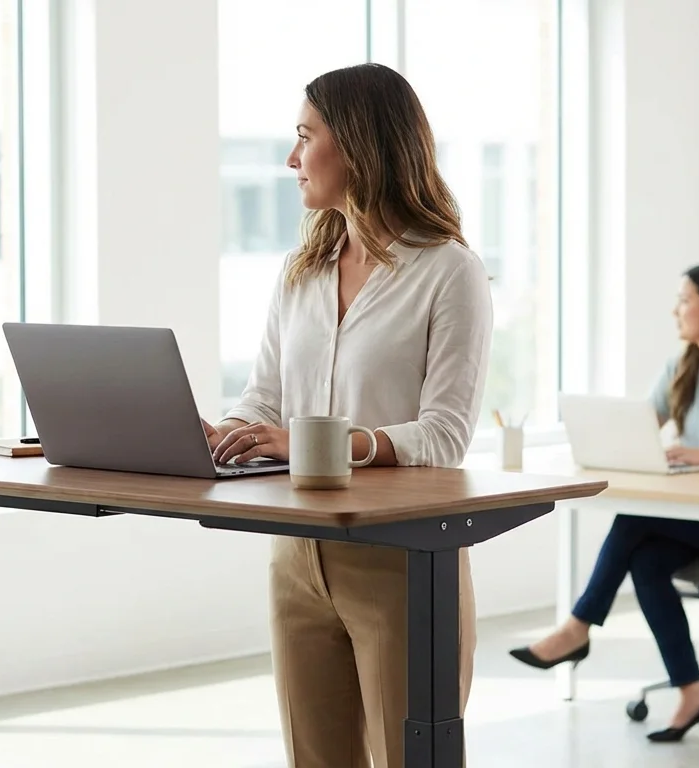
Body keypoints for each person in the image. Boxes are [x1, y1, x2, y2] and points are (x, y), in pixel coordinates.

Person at [206, 63, 493, 768]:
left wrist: (315, 444)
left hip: (402, 560)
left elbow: (445, 436)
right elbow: (265, 398)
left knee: (406, 758)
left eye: (306, 137)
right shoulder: (299, 270)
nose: (291, 159)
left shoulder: (449, 270)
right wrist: (227, 432)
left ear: (360, 147)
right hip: (295, 552)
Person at [509, 262, 699, 742]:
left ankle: (577, 627)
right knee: (646, 560)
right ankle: (691, 690)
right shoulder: (681, 367)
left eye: (685, 300)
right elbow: (641, 428)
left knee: (632, 523)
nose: (676, 310)